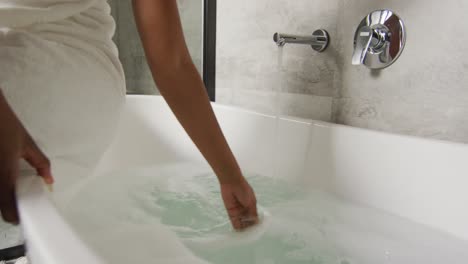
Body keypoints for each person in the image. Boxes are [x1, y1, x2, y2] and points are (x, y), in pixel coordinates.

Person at [0, 0, 258, 231]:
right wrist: (230, 176)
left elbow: (172, 62)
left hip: (46, 74)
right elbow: (172, 62)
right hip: (81, 81)